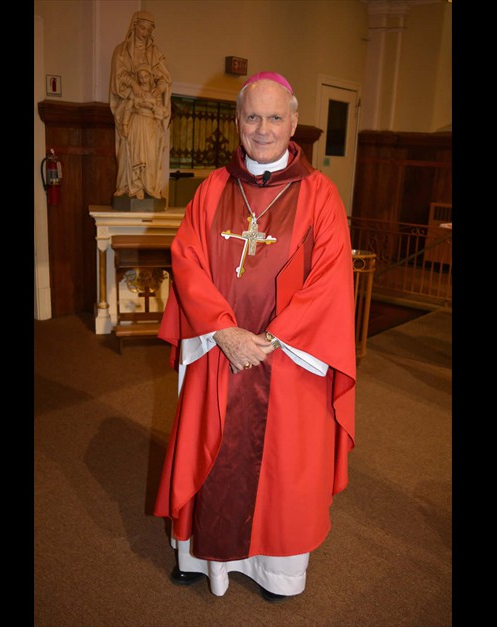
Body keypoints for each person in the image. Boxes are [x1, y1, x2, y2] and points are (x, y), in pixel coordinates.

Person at [153, 71, 357, 602]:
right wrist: (223, 331)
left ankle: (276, 572)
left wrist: (272, 340)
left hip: (287, 360)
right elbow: (187, 260)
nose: (262, 129)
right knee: (209, 447)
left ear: (293, 123)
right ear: (237, 122)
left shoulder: (320, 195)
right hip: (221, 351)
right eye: (251, 117)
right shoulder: (212, 189)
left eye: (274, 117)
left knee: (284, 469)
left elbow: (332, 276)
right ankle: (203, 560)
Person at [109, 11, 172, 200]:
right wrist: (133, 86)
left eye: (148, 29)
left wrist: (159, 88)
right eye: (142, 27)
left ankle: (149, 188)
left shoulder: (155, 53)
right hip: (132, 110)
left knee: (151, 154)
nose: (144, 32)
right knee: (130, 153)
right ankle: (130, 186)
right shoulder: (121, 51)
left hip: (151, 115)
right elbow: (117, 80)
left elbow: (165, 80)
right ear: (134, 26)